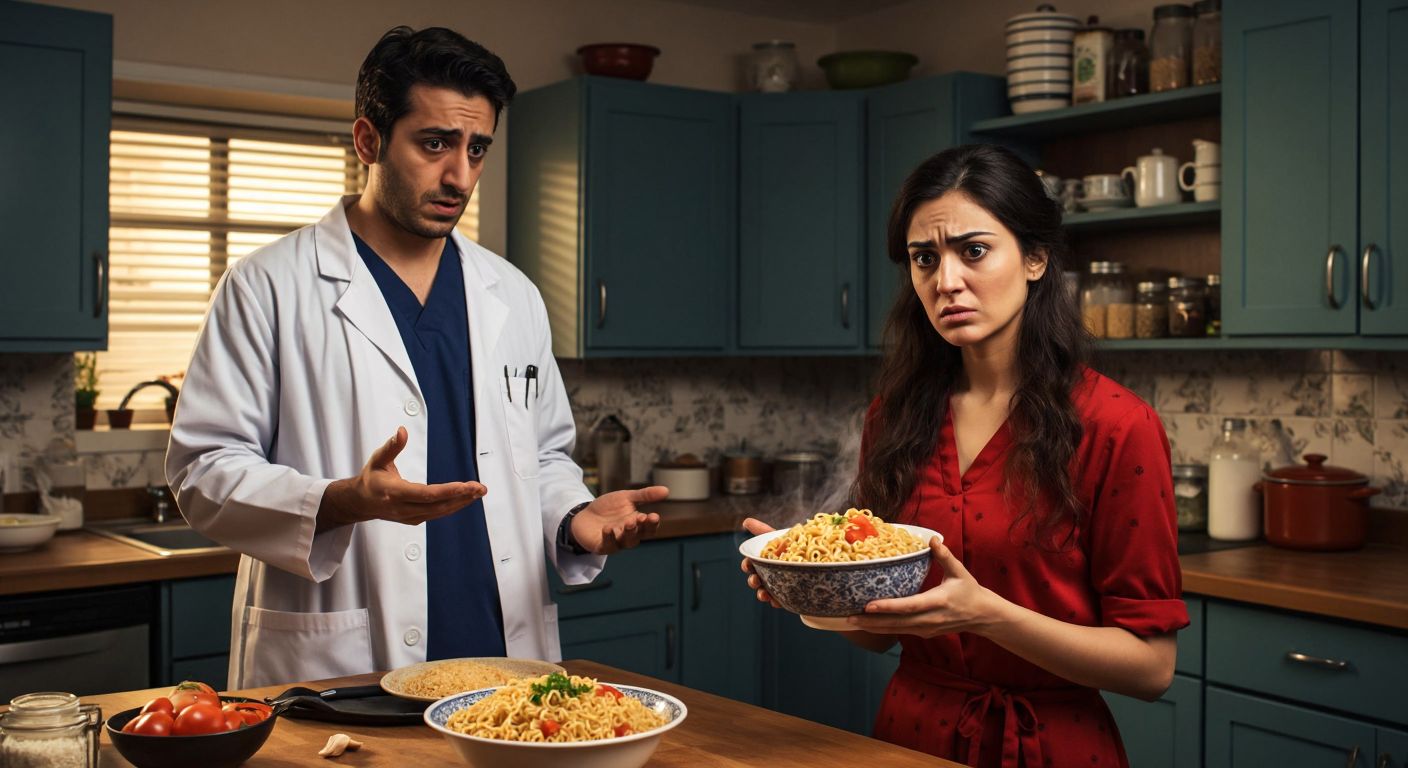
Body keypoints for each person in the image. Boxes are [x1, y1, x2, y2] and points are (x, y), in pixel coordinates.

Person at [167, 26, 664, 689]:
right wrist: (340, 500)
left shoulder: (511, 293)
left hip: (502, 653)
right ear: (368, 141)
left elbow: (541, 457)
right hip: (347, 661)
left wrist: (576, 520)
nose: (459, 175)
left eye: (476, 148)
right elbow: (204, 470)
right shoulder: (268, 286)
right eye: (434, 144)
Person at [741, 145, 1186, 767]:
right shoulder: (893, 418)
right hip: (910, 735)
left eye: (973, 251)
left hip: (1051, 745)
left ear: (1035, 259)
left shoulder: (1117, 426)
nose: (946, 281)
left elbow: (1151, 668)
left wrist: (988, 617)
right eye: (925, 258)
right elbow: (877, 633)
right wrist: (812, 590)